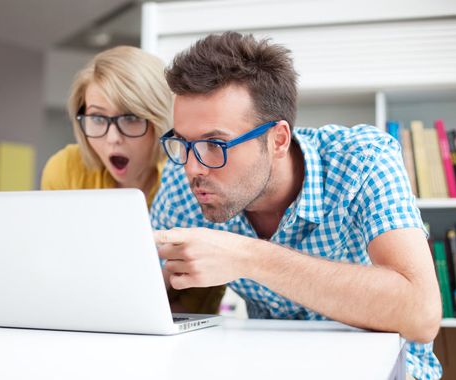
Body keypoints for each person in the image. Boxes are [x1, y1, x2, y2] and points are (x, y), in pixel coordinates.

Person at [151, 32, 442, 379]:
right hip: (270, 366)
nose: (191, 167)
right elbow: (145, 288)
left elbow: (421, 314)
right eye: (183, 143)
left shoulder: (362, 159)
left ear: (278, 139)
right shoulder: (184, 180)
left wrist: (248, 256)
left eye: (215, 143)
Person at [41, 46, 225, 315]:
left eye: (130, 118)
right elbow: (56, 268)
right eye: (97, 118)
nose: (112, 138)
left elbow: (192, 300)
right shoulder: (66, 169)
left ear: (158, 119)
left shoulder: (188, 183)